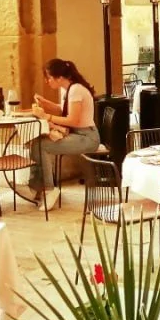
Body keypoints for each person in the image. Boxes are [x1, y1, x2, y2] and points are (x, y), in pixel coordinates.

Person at [24, 58, 102, 211]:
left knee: (42, 146)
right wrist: (47, 103)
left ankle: (48, 190)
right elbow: (64, 109)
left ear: (59, 77)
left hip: (87, 138)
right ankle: (37, 188)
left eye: (49, 77)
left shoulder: (76, 90)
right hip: (80, 134)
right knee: (37, 142)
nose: (47, 81)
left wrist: (46, 117)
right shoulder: (70, 89)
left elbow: (73, 120)